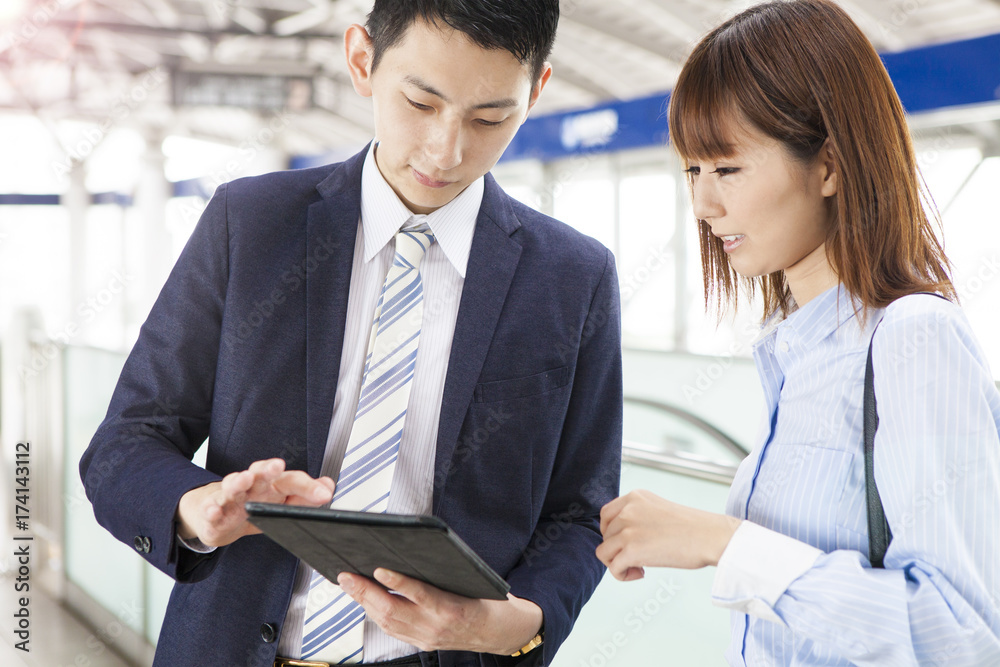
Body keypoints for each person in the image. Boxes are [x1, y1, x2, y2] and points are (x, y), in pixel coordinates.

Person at [80, 2, 623, 666]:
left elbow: (580, 508)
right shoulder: (250, 225)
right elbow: (125, 443)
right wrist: (197, 507)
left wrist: (516, 623)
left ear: (537, 91)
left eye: (491, 118)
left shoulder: (574, 277)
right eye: (421, 103)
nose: (446, 150)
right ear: (362, 60)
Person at [596, 1, 1000, 665]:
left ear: (830, 166)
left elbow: (962, 635)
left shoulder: (913, 339)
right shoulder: (797, 353)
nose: (703, 204)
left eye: (726, 168)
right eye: (692, 171)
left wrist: (723, 543)